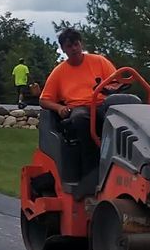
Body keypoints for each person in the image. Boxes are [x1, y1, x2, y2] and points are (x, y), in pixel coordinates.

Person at [38, 28, 119, 159]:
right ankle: (91, 166)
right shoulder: (59, 72)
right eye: (69, 46)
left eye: (76, 44)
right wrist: (59, 108)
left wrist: (109, 88)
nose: (74, 49)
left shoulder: (100, 61)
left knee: (124, 110)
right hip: (80, 108)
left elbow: (117, 83)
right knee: (81, 119)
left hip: (103, 104)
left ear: (81, 44)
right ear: (63, 49)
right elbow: (44, 100)